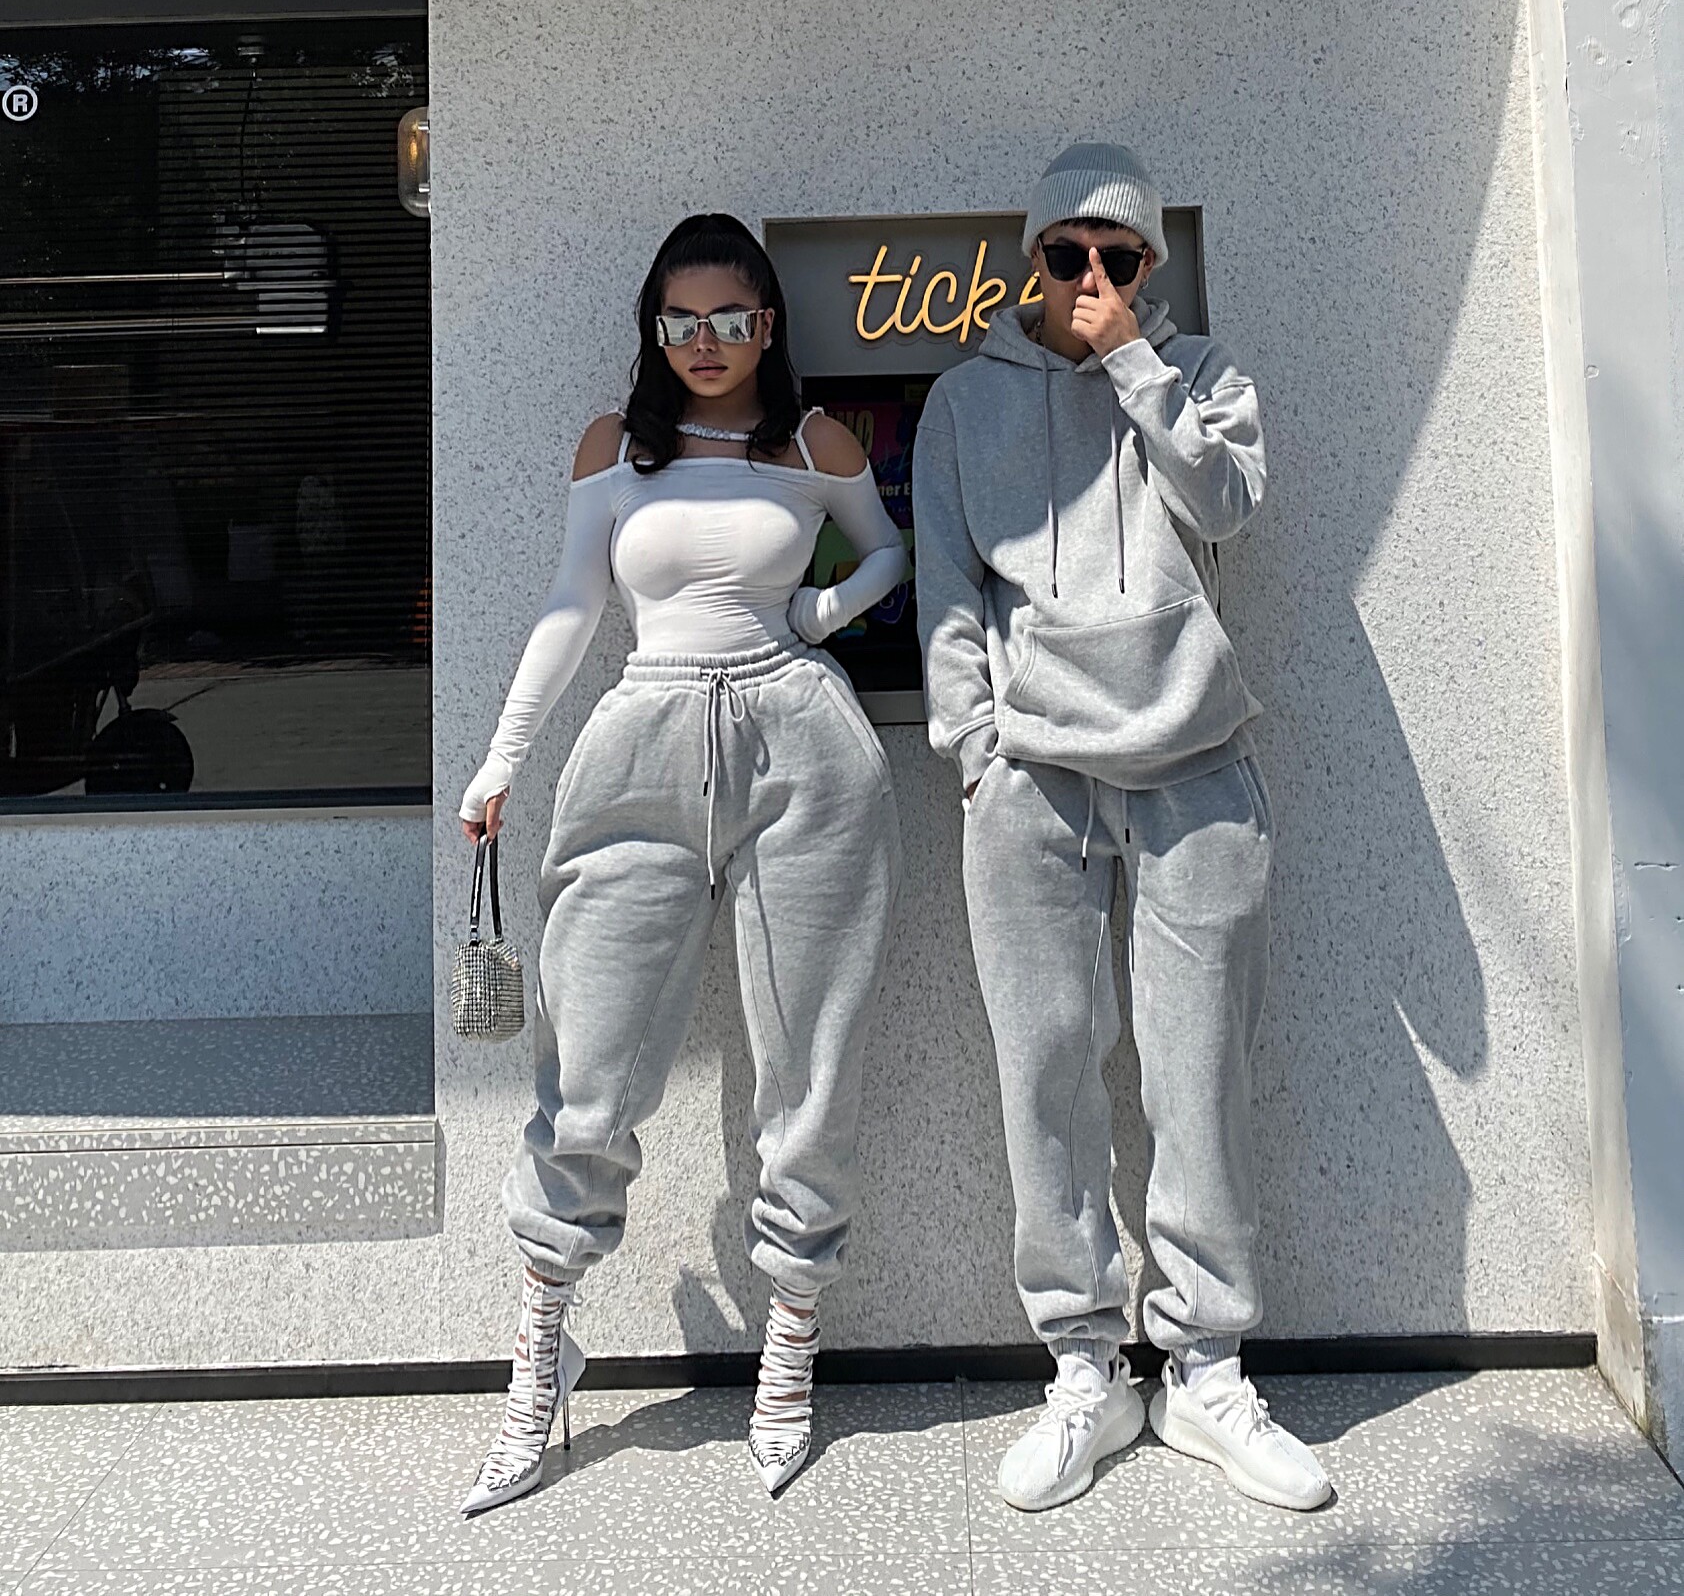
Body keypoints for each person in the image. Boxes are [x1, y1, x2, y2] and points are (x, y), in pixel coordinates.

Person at [458, 213, 905, 1514]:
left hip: (801, 744)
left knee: (808, 1058)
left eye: (731, 319)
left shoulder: (813, 445)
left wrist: (820, 609)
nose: (706, 342)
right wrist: (501, 760)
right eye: (681, 321)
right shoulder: (616, 446)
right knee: (589, 1065)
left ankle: (790, 1344)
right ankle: (543, 1346)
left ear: (768, 324)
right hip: (640, 738)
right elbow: (572, 604)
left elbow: (887, 548)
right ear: (655, 330)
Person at [913, 143, 1331, 1513]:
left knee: (1198, 1072)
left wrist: (1135, 365)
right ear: (1029, 257)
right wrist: (973, 747)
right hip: (1030, 774)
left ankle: (1205, 1366)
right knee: (1045, 1071)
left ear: (1151, 266)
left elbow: (1229, 507)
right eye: (1067, 254)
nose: (1091, 276)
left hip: (1195, 761)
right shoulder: (965, 398)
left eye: (1119, 257)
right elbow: (948, 590)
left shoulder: (1202, 375)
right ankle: (1085, 1365)